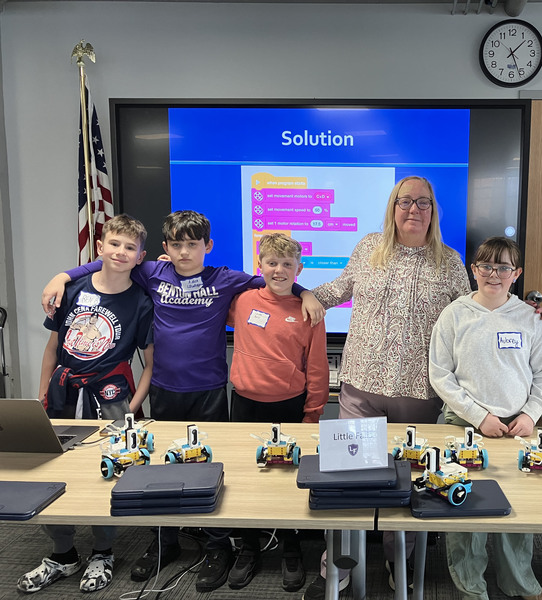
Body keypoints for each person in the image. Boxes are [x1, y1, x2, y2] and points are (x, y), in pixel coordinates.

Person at [40, 210, 325, 593]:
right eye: (177, 244)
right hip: (163, 388)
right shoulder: (151, 273)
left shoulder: (225, 280)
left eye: (193, 244)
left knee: (209, 466)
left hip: (209, 391)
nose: (185, 251)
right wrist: (63, 275)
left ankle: (216, 547)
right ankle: (164, 542)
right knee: (159, 468)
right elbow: (114, 260)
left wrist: (307, 292)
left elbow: (276, 280)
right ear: (165, 249)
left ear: (207, 246)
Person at [300, 176, 472, 599]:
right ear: (392, 207)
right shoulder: (368, 248)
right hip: (361, 389)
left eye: (424, 203)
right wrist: (307, 295)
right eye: (405, 201)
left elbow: (471, 316)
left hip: (420, 393)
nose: (414, 209)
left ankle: (400, 563)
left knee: (410, 480)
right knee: (347, 476)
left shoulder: (449, 261)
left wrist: (520, 314)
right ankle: (338, 567)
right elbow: (338, 288)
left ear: (434, 211)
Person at [19, 215, 154, 594]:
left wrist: (133, 408)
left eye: (130, 248)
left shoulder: (141, 302)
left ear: (140, 256)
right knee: (49, 472)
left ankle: (103, 551)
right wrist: (43, 393)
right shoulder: (72, 290)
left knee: (106, 474)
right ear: (100, 247)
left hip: (111, 398)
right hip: (62, 395)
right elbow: (52, 348)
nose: (121, 252)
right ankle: (63, 553)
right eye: (114, 244)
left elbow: (150, 364)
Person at [429, 236, 542, 600]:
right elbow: (440, 374)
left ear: (516, 273)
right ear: (474, 269)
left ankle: (519, 582)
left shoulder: (529, 318)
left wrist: (531, 415)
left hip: (519, 426)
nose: (493, 274)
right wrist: (478, 416)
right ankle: (471, 587)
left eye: (503, 267)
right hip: (461, 422)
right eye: (486, 266)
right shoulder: (455, 314)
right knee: (464, 505)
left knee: (519, 508)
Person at [220, 232, 329, 591]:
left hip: (289, 406)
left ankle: (291, 548)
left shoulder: (308, 310)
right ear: (260, 265)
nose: (279, 270)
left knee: (287, 479)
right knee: (246, 478)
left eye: (287, 264)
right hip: (246, 404)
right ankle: (248, 548)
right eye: (272, 262)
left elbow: (316, 368)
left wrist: (312, 414)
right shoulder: (242, 301)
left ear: (299, 268)